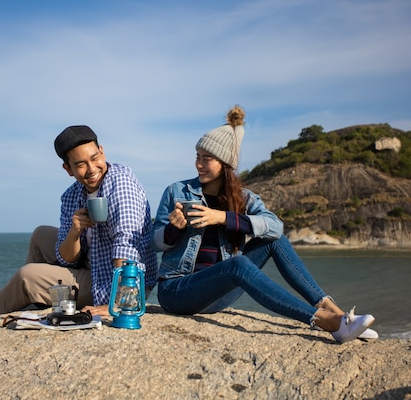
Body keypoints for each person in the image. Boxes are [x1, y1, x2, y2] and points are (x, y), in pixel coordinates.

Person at [152, 106, 376, 343]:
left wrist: (223, 217)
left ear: (225, 163)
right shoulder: (177, 191)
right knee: (238, 264)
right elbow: (154, 242)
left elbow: (275, 227)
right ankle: (325, 321)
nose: (198, 164)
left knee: (274, 240)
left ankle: (336, 313)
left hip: (217, 296)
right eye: (197, 157)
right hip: (178, 291)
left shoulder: (244, 198)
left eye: (206, 159)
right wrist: (173, 229)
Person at [0, 125, 158, 321]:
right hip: (93, 261)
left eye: (94, 158)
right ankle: (34, 301)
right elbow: (67, 259)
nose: (92, 169)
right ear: (68, 169)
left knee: (28, 276)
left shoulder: (122, 183)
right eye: (81, 164)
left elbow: (127, 243)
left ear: (102, 151)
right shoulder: (72, 195)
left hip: (116, 281)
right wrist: (74, 232)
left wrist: (120, 303)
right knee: (40, 235)